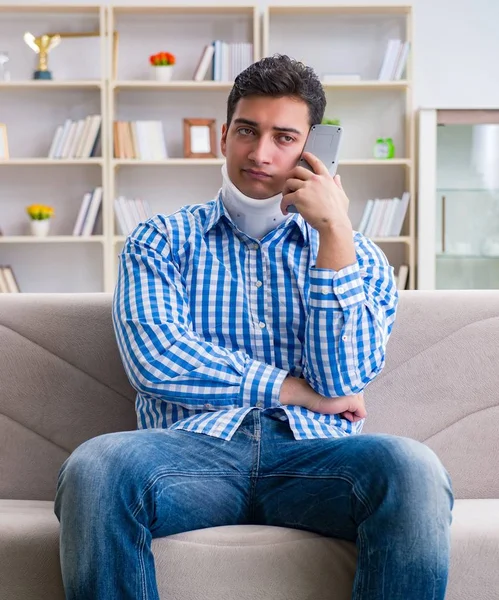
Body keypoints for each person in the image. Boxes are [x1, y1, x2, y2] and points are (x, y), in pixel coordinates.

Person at [55, 54, 453, 600]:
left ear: (314, 150)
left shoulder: (358, 256)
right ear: (224, 137)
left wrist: (334, 233)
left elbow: (343, 380)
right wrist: (293, 390)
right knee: (97, 465)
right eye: (247, 131)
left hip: (315, 460)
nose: (261, 153)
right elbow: (158, 360)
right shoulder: (160, 240)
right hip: (189, 453)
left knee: (413, 468)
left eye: (284, 137)